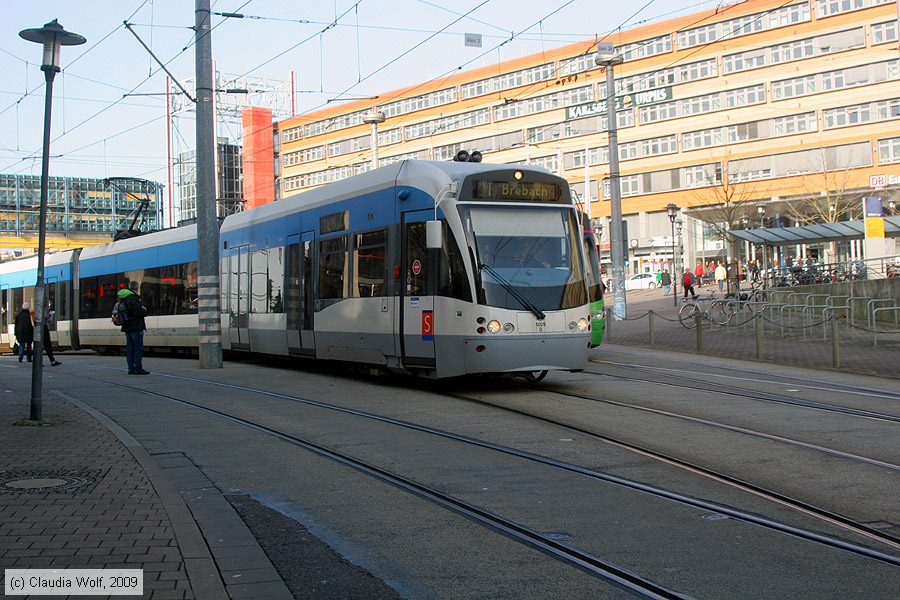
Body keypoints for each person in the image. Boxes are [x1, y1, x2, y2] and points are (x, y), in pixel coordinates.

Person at [118, 281, 149, 375]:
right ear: (137, 288)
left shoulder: (124, 298)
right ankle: (138, 367)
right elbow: (139, 312)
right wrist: (144, 310)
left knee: (130, 348)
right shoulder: (133, 298)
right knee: (137, 348)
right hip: (136, 326)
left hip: (127, 326)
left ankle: (130, 368)